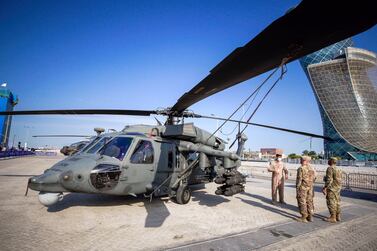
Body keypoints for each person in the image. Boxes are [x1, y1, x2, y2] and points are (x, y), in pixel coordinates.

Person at [296, 156, 316, 222]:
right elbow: (314, 178)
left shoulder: (301, 168)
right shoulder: (312, 168)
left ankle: (304, 217)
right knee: (309, 201)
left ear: (304, 160)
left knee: (302, 201)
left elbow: (299, 179)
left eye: (301, 159)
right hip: (310, 187)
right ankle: (310, 216)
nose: (300, 161)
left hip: (303, 187)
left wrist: (297, 188)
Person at [322, 157, 342, 223]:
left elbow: (329, 180)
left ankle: (333, 217)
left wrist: (325, 187)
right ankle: (338, 216)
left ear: (331, 161)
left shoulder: (330, 168)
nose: (328, 161)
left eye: (329, 160)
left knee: (331, 202)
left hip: (332, 188)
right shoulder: (338, 168)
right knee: (337, 202)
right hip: (338, 188)